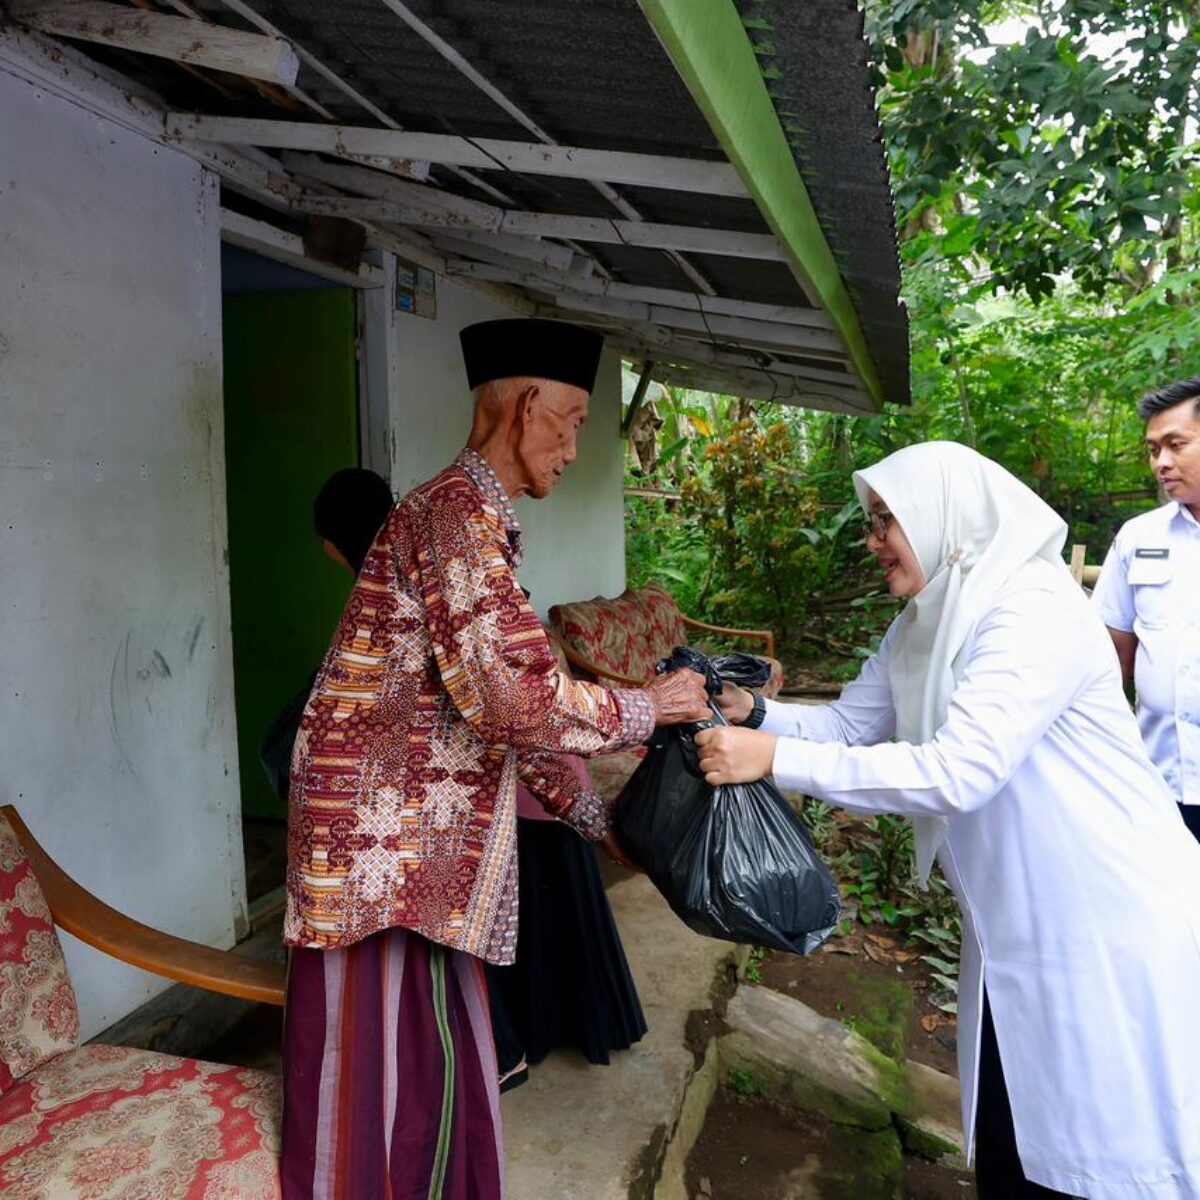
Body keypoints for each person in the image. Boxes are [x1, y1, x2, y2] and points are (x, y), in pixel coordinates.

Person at [694, 441, 1200, 1199]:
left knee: (1108, 1153)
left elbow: (960, 770)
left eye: (886, 521)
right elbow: (850, 725)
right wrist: (758, 714)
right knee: (1016, 1134)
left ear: (943, 515)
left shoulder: (1030, 609)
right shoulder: (927, 619)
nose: (873, 541)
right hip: (1018, 925)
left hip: (1107, 924)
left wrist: (773, 758)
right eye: (871, 522)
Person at [280, 318, 710, 1200]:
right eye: (573, 422)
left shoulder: (473, 520)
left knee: (428, 1049)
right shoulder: (452, 517)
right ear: (524, 407)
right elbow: (514, 699)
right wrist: (649, 705)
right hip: (375, 842)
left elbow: (507, 711)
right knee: (375, 1063)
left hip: (411, 840)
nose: (575, 449)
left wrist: (593, 818)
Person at [1092, 377, 1200, 840]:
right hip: (1159, 780)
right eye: (1153, 450)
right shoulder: (1139, 538)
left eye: (1176, 445)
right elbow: (1109, 659)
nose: (1162, 462)